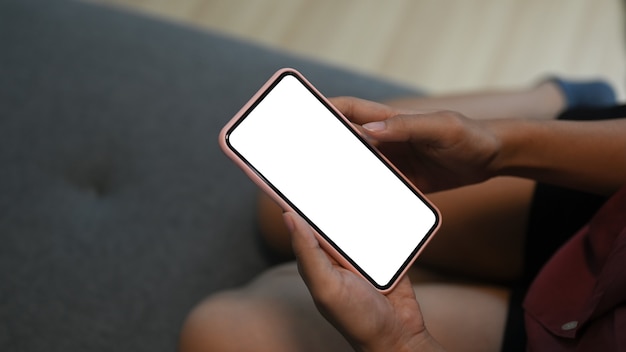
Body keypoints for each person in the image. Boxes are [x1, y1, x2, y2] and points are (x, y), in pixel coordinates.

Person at [179, 79, 626, 351]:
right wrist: (498, 148)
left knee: (220, 331)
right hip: (603, 202)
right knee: (275, 202)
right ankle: (555, 97)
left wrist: (401, 344)